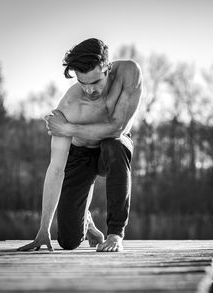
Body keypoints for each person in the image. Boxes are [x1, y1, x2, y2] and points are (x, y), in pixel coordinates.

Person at [18, 38, 142, 252]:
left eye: (95, 82)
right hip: (80, 155)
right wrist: (43, 229)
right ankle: (87, 221)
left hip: (110, 149)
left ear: (107, 68)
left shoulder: (129, 73)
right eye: (82, 83)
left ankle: (115, 234)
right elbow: (56, 169)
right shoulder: (69, 107)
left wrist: (69, 129)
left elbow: (117, 128)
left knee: (116, 145)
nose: (89, 90)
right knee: (68, 242)